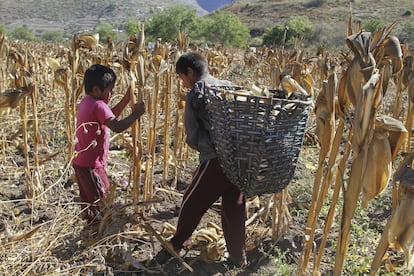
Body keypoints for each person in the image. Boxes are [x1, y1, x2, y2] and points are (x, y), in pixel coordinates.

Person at [154, 52, 247, 267]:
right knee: (234, 205)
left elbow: (193, 133)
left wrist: (201, 148)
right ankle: (238, 256)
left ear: (190, 72)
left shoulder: (197, 92)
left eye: (181, 77)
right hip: (238, 160)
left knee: (191, 201)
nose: (183, 83)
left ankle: (178, 243)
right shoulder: (228, 85)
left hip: (215, 160)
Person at [72, 64, 145, 233]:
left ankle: (92, 231)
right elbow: (117, 126)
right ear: (97, 89)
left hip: (81, 163)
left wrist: (127, 100)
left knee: (90, 202)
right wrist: (135, 114)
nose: (111, 94)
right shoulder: (98, 105)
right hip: (93, 166)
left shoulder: (87, 102)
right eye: (110, 90)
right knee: (103, 201)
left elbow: (109, 116)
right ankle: (103, 234)